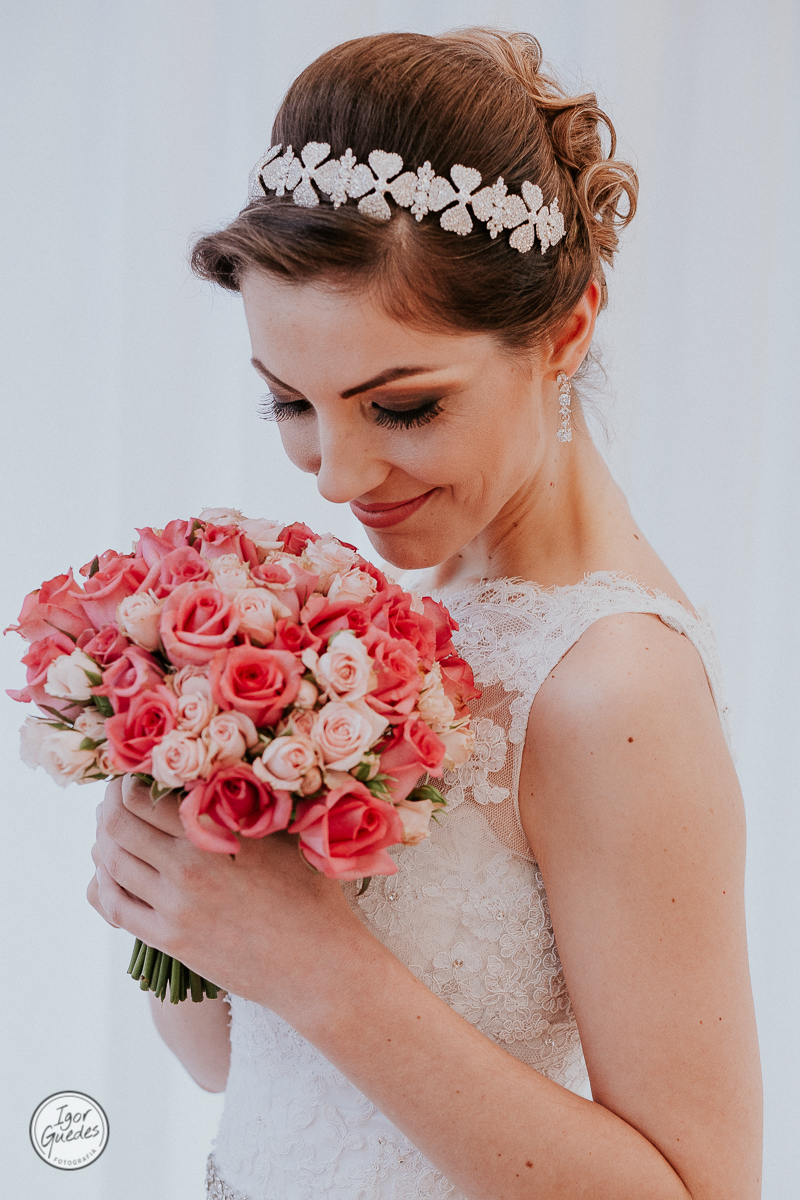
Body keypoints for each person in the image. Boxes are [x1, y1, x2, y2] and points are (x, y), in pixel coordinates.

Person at [87, 28, 762, 1200]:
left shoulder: (612, 688)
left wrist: (319, 966)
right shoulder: (398, 616)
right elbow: (241, 1072)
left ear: (565, 331)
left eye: (400, 408)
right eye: (289, 404)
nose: (337, 478)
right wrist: (175, 882)